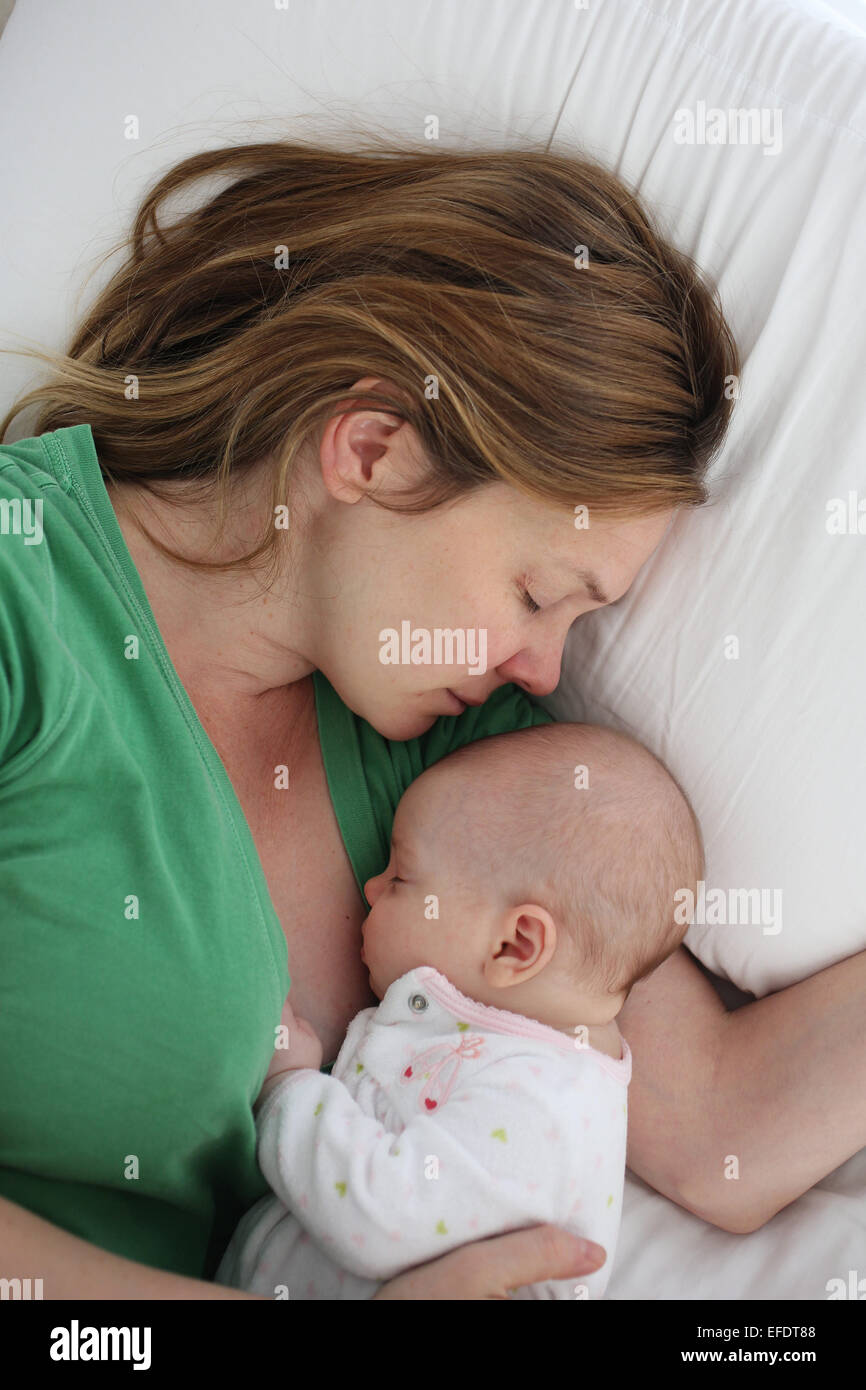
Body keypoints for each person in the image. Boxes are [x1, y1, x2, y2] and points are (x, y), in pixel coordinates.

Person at [2, 139, 862, 1302]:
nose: (545, 663)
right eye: (532, 593)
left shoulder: (450, 766)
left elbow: (719, 1121)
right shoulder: (24, 600)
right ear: (370, 450)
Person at [214, 720, 702, 1300]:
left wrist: (291, 1090)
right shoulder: (512, 1056)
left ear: (515, 945)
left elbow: (382, 1216)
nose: (370, 888)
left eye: (400, 875)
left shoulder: (545, 1104)